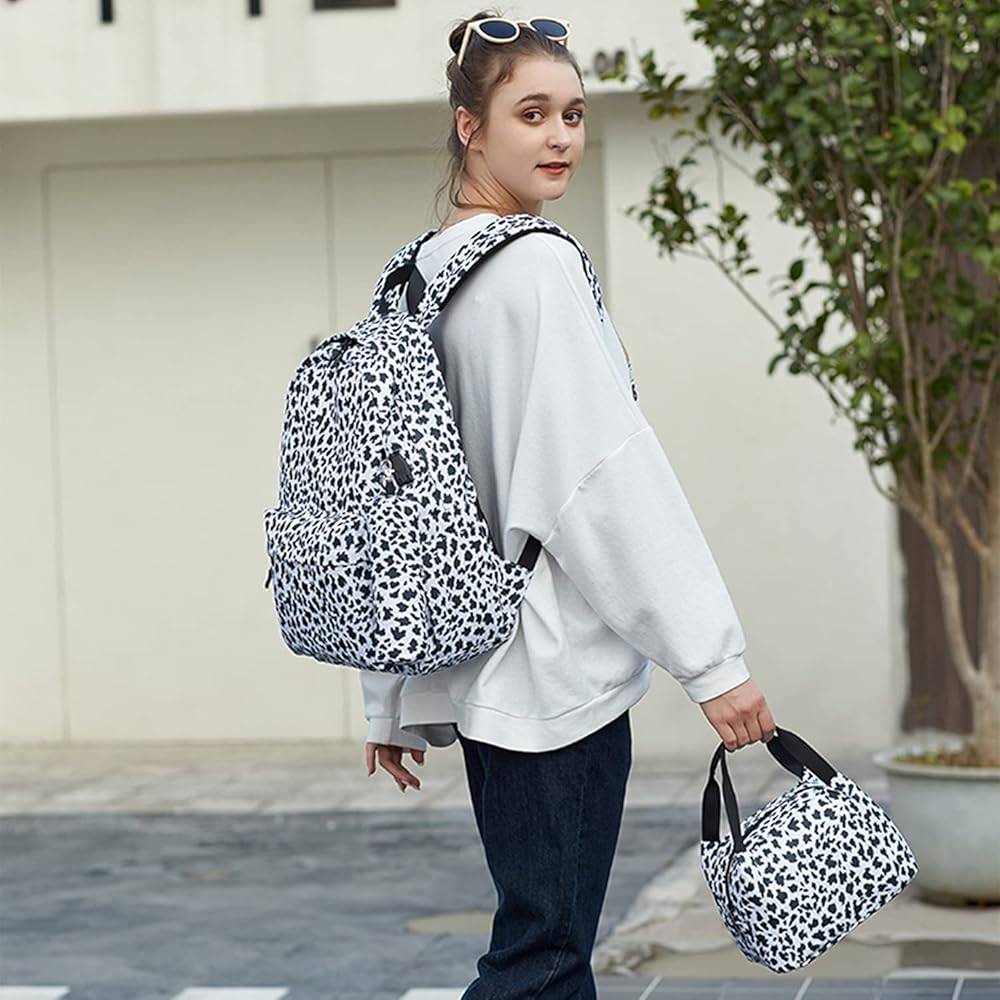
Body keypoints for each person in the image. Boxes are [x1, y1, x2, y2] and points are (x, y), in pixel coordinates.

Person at [362, 10, 777, 999]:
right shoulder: (536, 265)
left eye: (574, 114)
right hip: (552, 680)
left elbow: (385, 501)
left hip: (477, 669)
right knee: (542, 962)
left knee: (538, 948)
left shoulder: (417, 276)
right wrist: (712, 661)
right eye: (532, 113)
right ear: (469, 126)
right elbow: (601, 479)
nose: (560, 137)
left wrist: (391, 691)